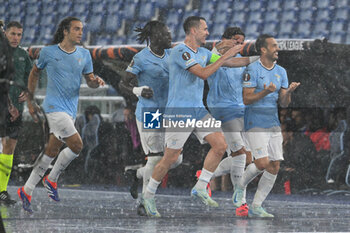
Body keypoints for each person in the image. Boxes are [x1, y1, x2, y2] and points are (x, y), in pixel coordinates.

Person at [142, 16, 254, 217]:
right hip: (179, 112)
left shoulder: (203, 52)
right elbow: (202, 73)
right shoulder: (180, 51)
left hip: (198, 110)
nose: (207, 33)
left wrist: (258, 58)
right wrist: (224, 53)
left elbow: (231, 63)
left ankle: (201, 186)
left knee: (220, 145)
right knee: (170, 159)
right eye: (204, 29)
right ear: (193, 31)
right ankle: (148, 194)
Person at [17, 17, 105, 213]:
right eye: (76, 29)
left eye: (82, 29)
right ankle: (52, 179)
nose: (80, 32)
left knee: (51, 151)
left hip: (70, 110)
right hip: (53, 108)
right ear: (65, 31)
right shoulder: (49, 52)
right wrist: (30, 102)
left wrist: (95, 81)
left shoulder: (84, 54)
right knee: (77, 145)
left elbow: (89, 80)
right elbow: (34, 73)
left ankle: (27, 189)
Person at [119, 20, 183, 215]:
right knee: (156, 158)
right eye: (166, 34)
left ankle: (136, 173)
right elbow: (123, 84)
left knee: (176, 158)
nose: (170, 37)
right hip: (150, 112)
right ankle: (145, 202)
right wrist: (138, 89)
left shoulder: (173, 54)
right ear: (155, 37)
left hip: (168, 112)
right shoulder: (141, 58)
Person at [232, 34, 300, 218]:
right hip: (254, 122)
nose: (277, 49)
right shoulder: (251, 70)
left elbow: (284, 103)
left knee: (275, 165)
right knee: (262, 163)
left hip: (273, 122)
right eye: (274, 46)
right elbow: (247, 99)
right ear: (263, 49)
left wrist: (289, 92)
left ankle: (256, 206)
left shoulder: (282, 72)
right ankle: (239, 186)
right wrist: (265, 92)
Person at [206, 27, 256, 217]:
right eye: (235, 40)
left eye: (241, 41)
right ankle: (241, 202)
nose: (238, 44)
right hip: (222, 109)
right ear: (224, 40)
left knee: (248, 159)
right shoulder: (211, 56)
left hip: (240, 110)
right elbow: (219, 62)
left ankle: (205, 176)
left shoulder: (241, 61)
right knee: (240, 154)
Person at [0, 21, 32, 206]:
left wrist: (28, 91)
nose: (16, 38)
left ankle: (2, 190)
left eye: (19, 34)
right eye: (13, 34)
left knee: (10, 148)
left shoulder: (22, 54)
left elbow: (32, 76)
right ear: (5, 34)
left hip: (17, 112)